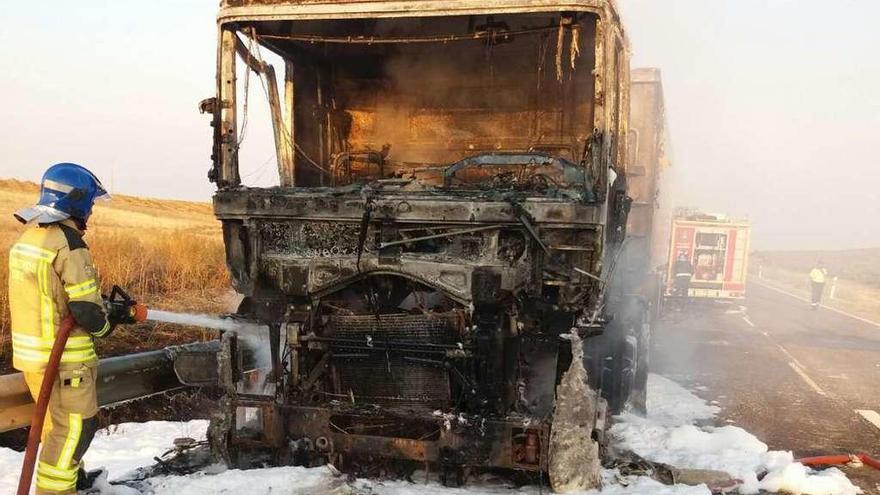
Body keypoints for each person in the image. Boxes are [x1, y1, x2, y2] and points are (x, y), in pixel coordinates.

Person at [9, 163, 127, 494]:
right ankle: (56, 491)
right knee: (77, 429)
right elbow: (88, 311)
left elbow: (54, 294)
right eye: (89, 201)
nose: (90, 209)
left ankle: (73, 480)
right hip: (64, 361)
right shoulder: (69, 243)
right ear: (76, 200)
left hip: (34, 358)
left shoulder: (32, 234)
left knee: (56, 428)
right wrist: (109, 323)